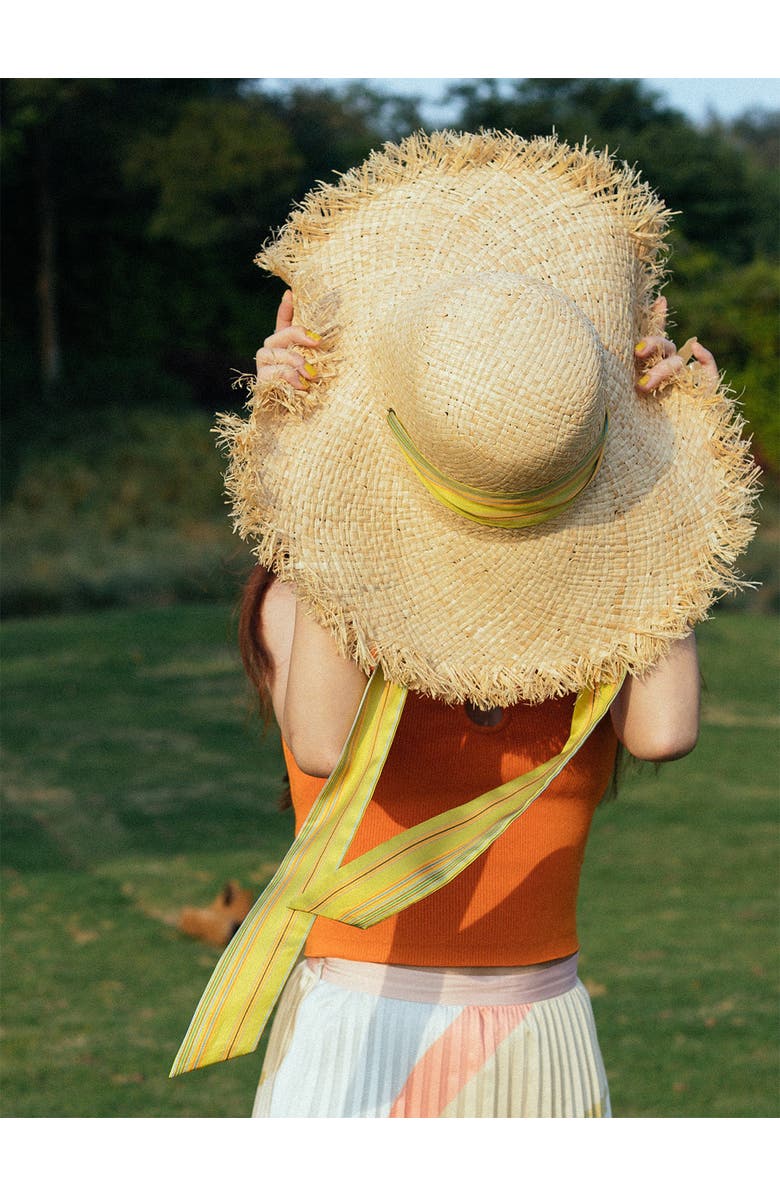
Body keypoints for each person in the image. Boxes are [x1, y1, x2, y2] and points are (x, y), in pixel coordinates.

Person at [170, 131, 758, 1116]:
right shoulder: (302, 592)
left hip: (538, 1020)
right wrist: (322, 479)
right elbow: (322, 741)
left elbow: (664, 729)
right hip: (364, 1022)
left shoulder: (598, 611)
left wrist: (665, 487)